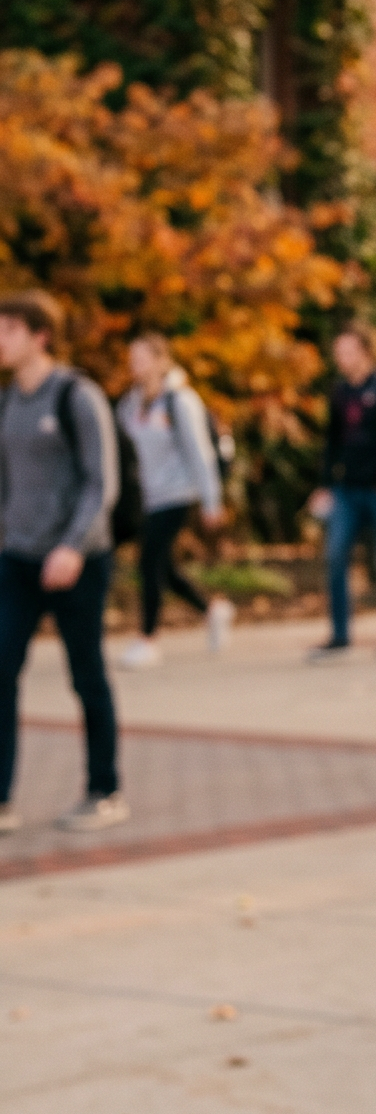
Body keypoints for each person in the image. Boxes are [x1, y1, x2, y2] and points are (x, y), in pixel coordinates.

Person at [0, 292, 125, 835]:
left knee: (86, 675)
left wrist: (73, 545)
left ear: (38, 335)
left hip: (78, 560)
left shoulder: (77, 395)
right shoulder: (9, 402)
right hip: (19, 558)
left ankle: (104, 790)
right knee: (1, 672)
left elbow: (102, 482)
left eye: (6, 331)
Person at [115, 332, 233, 668]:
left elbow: (200, 455)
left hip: (178, 494)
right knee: (164, 568)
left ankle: (147, 638)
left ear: (160, 360)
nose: (133, 365)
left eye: (140, 358)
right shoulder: (130, 404)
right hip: (147, 497)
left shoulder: (181, 401)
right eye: (131, 358)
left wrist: (212, 501)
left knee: (148, 561)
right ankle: (212, 610)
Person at [310, 325, 376, 660]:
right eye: (339, 353)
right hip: (348, 491)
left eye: (349, 352)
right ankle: (340, 635)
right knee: (336, 555)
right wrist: (327, 484)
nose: (343, 359)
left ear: (365, 353)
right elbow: (333, 442)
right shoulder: (340, 393)